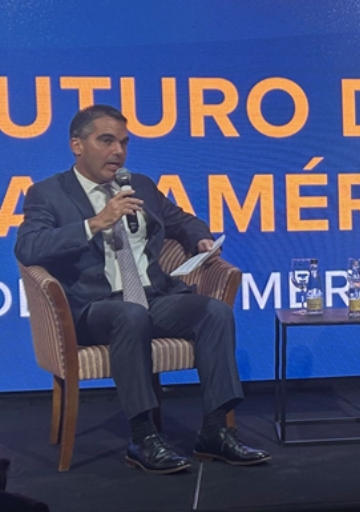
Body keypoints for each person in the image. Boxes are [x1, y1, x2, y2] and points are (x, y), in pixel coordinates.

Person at [14, 105, 270, 474]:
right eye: (106, 141)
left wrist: (199, 239)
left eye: (123, 142)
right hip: (94, 308)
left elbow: (183, 221)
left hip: (152, 297)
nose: (117, 151)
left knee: (214, 312)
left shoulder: (140, 185)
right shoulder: (48, 193)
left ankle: (215, 431)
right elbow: (28, 248)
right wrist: (95, 223)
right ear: (77, 145)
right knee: (130, 315)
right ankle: (143, 437)